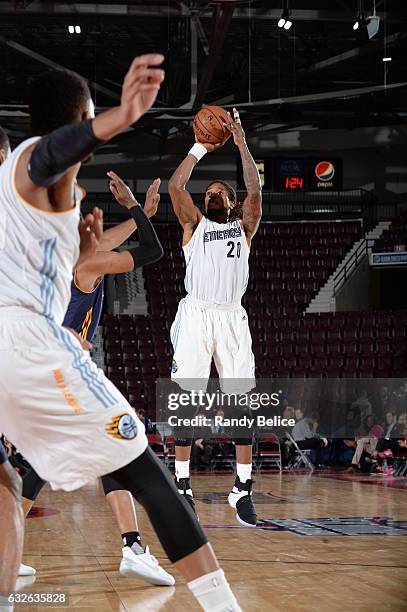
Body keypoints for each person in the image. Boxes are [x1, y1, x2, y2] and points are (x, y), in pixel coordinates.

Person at [0, 60, 242, 611]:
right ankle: (219, 602)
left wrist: (85, 245)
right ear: (81, 117)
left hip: (10, 346)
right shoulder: (32, 160)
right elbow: (50, 155)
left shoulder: (24, 195)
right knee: (143, 466)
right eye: (89, 119)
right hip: (31, 345)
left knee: (10, 481)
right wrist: (121, 116)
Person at [14, 173, 173, 585]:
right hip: (65, 371)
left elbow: (111, 240)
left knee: (43, 465)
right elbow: (153, 251)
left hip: (42, 368)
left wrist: (143, 213)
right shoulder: (89, 262)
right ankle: (134, 548)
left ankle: (5, 554)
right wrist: (134, 208)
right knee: (116, 450)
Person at [168, 108, 262, 527]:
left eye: (219, 191)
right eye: (208, 193)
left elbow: (255, 190)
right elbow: (176, 185)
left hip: (231, 318)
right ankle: (182, 483)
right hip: (196, 313)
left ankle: (242, 487)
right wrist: (199, 148)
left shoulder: (245, 226)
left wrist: (241, 143)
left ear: (233, 201)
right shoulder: (194, 225)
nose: (211, 195)